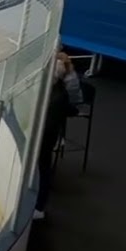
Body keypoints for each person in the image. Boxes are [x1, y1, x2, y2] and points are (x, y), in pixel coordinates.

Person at [34, 50, 85, 220]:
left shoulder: (57, 96)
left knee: (42, 167)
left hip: (46, 135)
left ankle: (39, 205)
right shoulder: (58, 91)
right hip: (49, 132)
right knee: (43, 166)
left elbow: (74, 106)